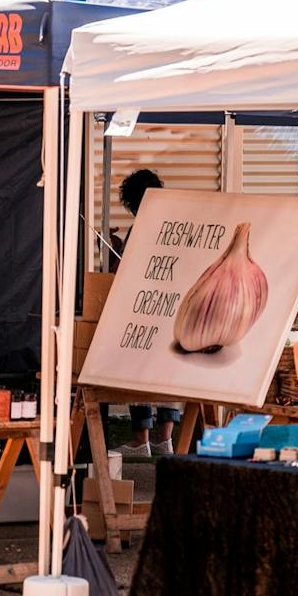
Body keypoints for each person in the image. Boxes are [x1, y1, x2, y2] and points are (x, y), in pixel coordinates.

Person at [108, 169, 179, 457]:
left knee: (137, 369)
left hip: (144, 307)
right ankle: (165, 438)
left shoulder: (142, 226)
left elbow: (125, 270)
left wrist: (113, 250)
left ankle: (141, 439)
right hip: (172, 307)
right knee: (167, 371)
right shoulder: (175, 224)